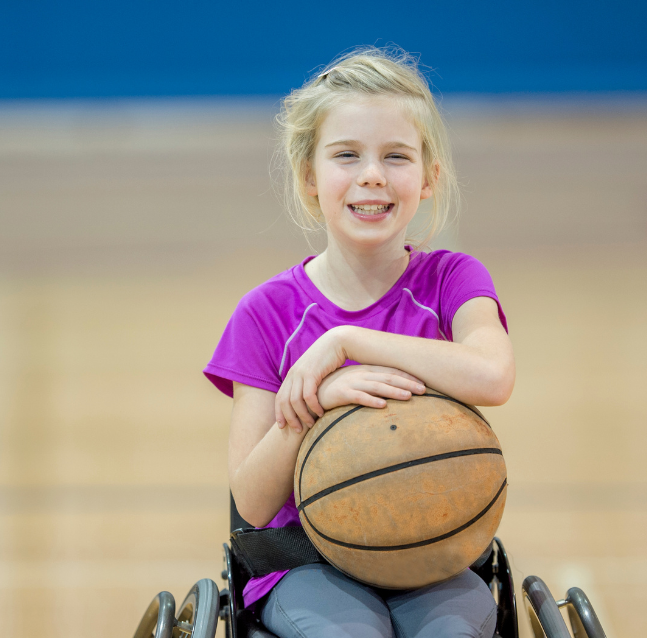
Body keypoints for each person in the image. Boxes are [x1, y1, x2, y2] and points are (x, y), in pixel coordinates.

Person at [203, 47, 515, 638]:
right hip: (306, 562)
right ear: (309, 178)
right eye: (346, 155)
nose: (372, 175)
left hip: (434, 548)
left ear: (428, 180)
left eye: (396, 157)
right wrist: (321, 399)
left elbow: (493, 376)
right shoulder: (267, 313)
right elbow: (251, 500)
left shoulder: (453, 280)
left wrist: (351, 341)